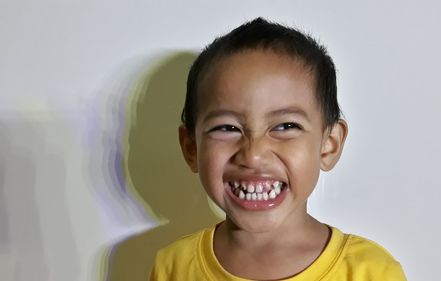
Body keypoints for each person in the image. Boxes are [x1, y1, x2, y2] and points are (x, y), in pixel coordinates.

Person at [150, 17, 406, 280]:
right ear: (191, 148)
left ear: (328, 145)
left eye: (285, 126)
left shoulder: (371, 272)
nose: (253, 154)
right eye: (227, 128)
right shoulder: (173, 267)